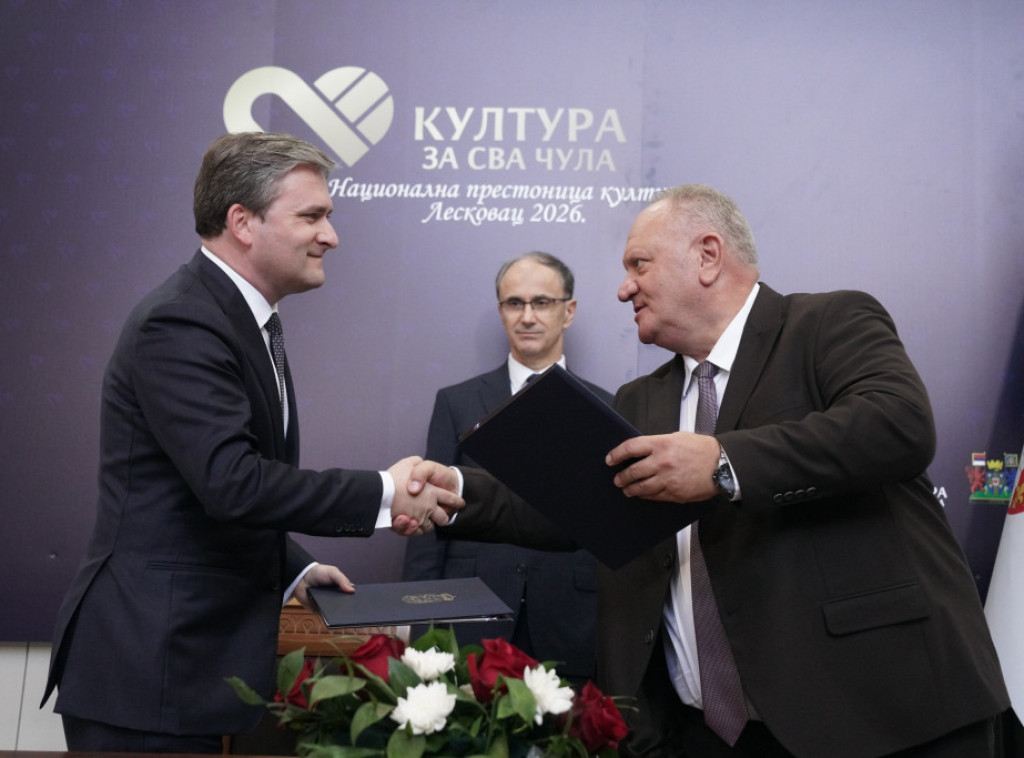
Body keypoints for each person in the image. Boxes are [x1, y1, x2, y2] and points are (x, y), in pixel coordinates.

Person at [410, 185, 1009, 757]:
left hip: (881, 717)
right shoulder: (640, 400)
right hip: (703, 734)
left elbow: (898, 425)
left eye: (639, 265)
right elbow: (573, 506)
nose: (623, 288)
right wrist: (455, 490)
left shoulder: (827, 323)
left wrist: (724, 463)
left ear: (707, 256)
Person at [40, 132, 460, 753]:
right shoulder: (182, 321)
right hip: (149, 672)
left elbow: (195, 498)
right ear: (242, 222)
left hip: (182, 675)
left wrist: (294, 569)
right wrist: (387, 491)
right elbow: (232, 483)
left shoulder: (244, 320)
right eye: (311, 216)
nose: (331, 236)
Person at [402, 252, 609, 684]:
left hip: (571, 620)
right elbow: (428, 520)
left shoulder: (606, 407)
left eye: (542, 302)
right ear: (501, 311)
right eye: (515, 303)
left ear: (569, 311)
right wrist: (421, 629)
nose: (527, 316)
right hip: (472, 616)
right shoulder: (456, 402)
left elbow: (612, 526)